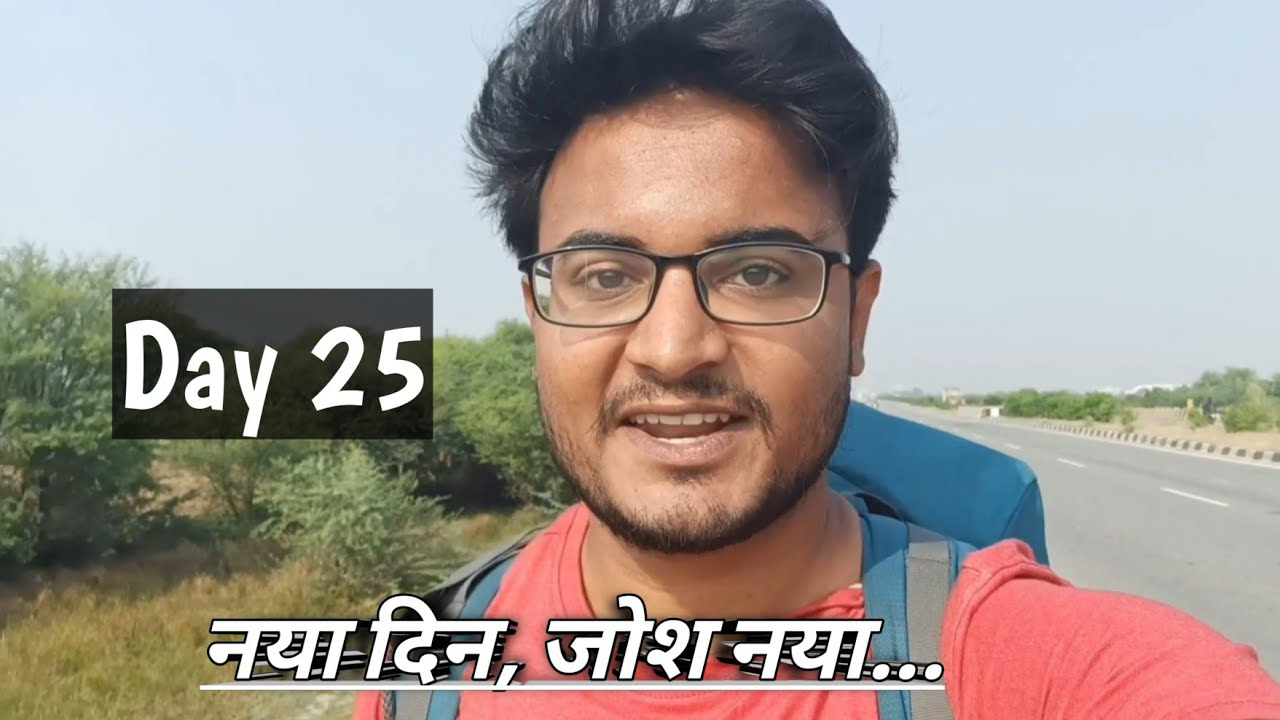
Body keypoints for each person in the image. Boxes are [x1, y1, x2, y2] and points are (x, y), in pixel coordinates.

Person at [354, 0, 1280, 717]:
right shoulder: (419, 678)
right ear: (540, 317)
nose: (674, 349)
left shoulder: (1017, 667)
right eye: (604, 275)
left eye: (758, 272)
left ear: (858, 319)